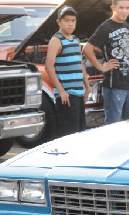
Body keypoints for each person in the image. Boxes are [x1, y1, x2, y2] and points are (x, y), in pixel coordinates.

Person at [84, 0, 129, 124]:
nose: (125, 11)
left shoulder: (126, 25)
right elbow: (87, 49)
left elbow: (106, 46)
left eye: (127, 8)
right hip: (115, 85)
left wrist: (105, 51)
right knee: (113, 126)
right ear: (113, 7)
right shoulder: (105, 27)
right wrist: (102, 67)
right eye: (121, 8)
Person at [45, 6, 89, 136]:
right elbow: (48, 66)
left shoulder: (75, 40)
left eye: (73, 20)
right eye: (67, 20)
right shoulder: (56, 40)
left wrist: (87, 85)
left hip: (79, 93)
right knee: (68, 133)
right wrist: (61, 91)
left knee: (80, 131)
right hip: (67, 95)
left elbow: (80, 63)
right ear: (59, 22)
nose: (70, 24)